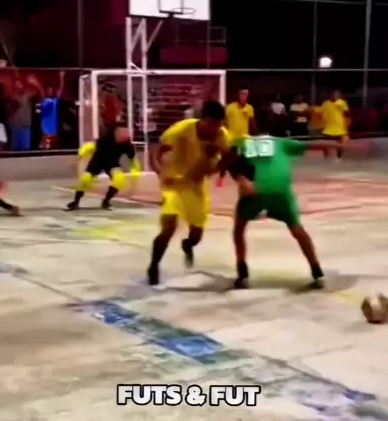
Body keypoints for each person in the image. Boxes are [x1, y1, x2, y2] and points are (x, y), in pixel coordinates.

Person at [221, 114, 346, 289]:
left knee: (239, 228)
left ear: (253, 128)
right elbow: (313, 144)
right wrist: (337, 145)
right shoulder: (282, 143)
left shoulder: (243, 142)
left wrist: (240, 179)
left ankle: (243, 274)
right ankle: (317, 272)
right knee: (298, 230)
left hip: (255, 192)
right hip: (281, 193)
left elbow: (227, 159)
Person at [147, 100, 231, 286]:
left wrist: (213, 164)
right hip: (174, 183)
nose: (216, 128)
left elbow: (227, 158)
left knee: (196, 234)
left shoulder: (221, 136)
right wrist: (160, 171)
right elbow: (156, 151)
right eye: (213, 123)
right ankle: (153, 266)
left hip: (195, 186)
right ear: (202, 119)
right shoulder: (181, 130)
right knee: (169, 226)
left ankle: (188, 244)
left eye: (220, 124)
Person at [66, 124, 141, 211]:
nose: (124, 135)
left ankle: (106, 201)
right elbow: (89, 147)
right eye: (122, 132)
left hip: (111, 163)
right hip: (97, 162)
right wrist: (79, 158)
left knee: (120, 179)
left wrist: (135, 172)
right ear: (115, 133)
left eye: (126, 133)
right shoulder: (104, 140)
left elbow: (133, 160)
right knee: (85, 179)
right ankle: (75, 202)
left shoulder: (127, 145)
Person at [218, 89, 256, 187]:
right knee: (227, 158)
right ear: (238, 95)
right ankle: (221, 177)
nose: (243, 96)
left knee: (248, 158)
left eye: (245, 94)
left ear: (247, 96)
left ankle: (248, 178)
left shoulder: (249, 108)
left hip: (244, 137)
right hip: (232, 137)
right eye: (242, 94)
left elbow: (252, 122)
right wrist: (224, 131)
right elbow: (224, 120)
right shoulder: (230, 107)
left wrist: (255, 132)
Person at [321, 90, 350, 159]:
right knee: (326, 146)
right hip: (328, 128)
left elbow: (347, 114)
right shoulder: (325, 103)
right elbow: (324, 114)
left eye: (337, 95)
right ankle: (326, 158)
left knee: (340, 145)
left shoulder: (342, 103)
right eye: (333, 94)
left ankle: (339, 158)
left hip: (340, 128)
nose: (335, 96)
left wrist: (347, 127)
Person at [9, 79, 33, 151]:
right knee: (16, 149)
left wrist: (23, 88)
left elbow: (33, 92)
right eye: (16, 84)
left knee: (25, 149)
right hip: (16, 127)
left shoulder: (26, 95)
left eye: (19, 84)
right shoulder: (12, 96)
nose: (18, 86)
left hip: (25, 125)